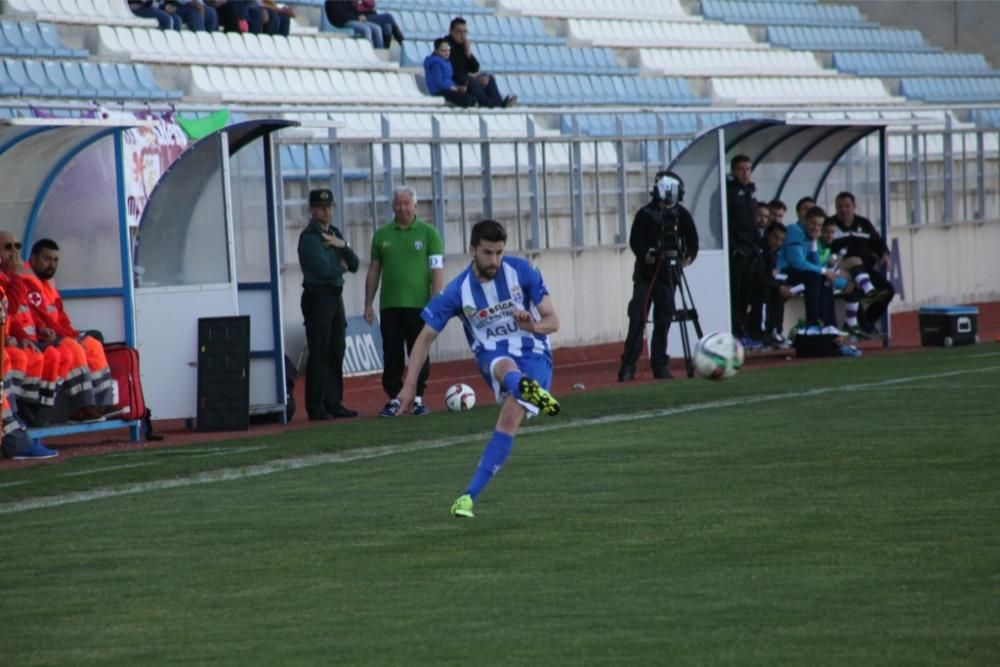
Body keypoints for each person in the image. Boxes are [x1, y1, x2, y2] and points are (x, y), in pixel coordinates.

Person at [396, 220, 560, 519]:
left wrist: (533, 325)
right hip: (492, 353)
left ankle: (467, 496)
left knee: (509, 418)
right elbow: (424, 338)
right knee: (501, 363)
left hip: (533, 350)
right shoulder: (457, 291)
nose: (494, 260)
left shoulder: (522, 271)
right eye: (487, 253)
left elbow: (553, 321)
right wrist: (408, 387)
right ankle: (522, 386)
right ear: (472, 250)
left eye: (499, 252)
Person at [363, 187, 443, 417]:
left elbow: (436, 270)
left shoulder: (429, 234)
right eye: (398, 204)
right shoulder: (382, 235)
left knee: (419, 352)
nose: (402, 208)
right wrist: (368, 303)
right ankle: (395, 399)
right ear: (392, 207)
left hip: (420, 306)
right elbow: (374, 270)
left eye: (407, 203)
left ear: (415, 206)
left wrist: (435, 303)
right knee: (392, 353)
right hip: (390, 306)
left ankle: (417, 398)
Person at [618, 171, 699, 382]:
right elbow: (636, 241)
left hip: (669, 276)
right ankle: (628, 364)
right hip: (646, 276)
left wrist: (687, 257)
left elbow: (692, 240)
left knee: (664, 320)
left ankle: (660, 364)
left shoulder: (682, 215)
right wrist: (646, 255)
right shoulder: (645, 214)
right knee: (638, 319)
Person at [22, 239, 116, 419]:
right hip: (41, 338)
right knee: (74, 348)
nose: (52, 264)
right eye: (47, 259)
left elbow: (61, 316)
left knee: (92, 345)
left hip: (57, 333)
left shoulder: (48, 283)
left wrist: (74, 334)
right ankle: (82, 407)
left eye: (55, 260)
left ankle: (104, 404)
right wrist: (70, 337)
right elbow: (43, 318)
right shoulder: (28, 281)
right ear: (33, 259)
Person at [297, 188, 360, 421]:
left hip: (335, 296)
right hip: (318, 297)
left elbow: (354, 263)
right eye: (322, 207)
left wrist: (342, 245)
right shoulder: (309, 238)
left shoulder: (333, 233)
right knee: (320, 350)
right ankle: (316, 406)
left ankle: (334, 401)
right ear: (312, 210)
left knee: (336, 349)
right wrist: (341, 266)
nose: (327, 211)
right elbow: (325, 270)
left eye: (330, 207)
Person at [828, 191, 895, 336]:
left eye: (847, 206)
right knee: (854, 287)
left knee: (888, 291)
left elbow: (878, 243)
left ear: (854, 206)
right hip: (843, 271)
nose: (843, 210)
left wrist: (885, 255)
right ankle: (861, 326)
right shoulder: (831, 225)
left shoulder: (864, 224)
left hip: (866, 270)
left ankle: (866, 322)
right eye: (839, 207)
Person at [778, 206, 838, 327]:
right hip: (781, 274)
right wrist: (824, 270)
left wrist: (814, 242)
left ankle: (828, 325)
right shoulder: (794, 230)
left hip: (797, 275)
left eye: (819, 225)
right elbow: (798, 263)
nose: (816, 228)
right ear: (805, 220)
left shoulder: (811, 237)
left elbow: (816, 265)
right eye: (813, 223)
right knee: (815, 276)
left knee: (825, 280)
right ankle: (813, 321)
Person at [726, 154, 762, 349]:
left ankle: (750, 330)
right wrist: (733, 248)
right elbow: (719, 220)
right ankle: (736, 331)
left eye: (748, 169)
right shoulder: (727, 192)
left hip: (752, 249)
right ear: (733, 171)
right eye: (741, 169)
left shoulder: (751, 191)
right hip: (738, 251)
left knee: (750, 293)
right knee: (737, 294)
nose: (745, 173)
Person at [446, 17, 517, 108]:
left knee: (489, 78)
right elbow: (452, 70)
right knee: (472, 82)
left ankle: (498, 103)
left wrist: (468, 53)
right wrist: (474, 78)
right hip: (456, 81)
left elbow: (475, 67)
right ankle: (497, 105)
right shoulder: (446, 46)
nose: (462, 35)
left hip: (465, 78)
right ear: (451, 31)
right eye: (459, 32)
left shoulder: (462, 46)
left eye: (465, 32)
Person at [748, 221, 795, 348]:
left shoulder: (773, 252)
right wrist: (779, 286)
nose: (778, 242)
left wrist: (782, 286)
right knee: (766, 290)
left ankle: (775, 330)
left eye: (781, 240)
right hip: (750, 287)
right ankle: (761, 332)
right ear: (767, 235)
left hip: (762, 283)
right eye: (775, 237)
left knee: (779, 289)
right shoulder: (760, 250)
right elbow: (759, 276)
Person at [423, 38, 476, 107]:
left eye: (448, 49)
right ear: (436, 51)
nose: (447, 52)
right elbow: (439, 82)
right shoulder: (435, 64)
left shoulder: (446, 62)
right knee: (467, 100)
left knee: (473, 98)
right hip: (439, 91)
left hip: (447, 89)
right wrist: (451, 88)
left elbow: (448, 80)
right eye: (443, 50)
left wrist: (458, 87)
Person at [324, 0, 393, 49]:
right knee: (366, 29)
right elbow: (340, 16)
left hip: (352, 19)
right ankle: (366, 52)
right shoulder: (331, 2)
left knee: (377, 28)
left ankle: (380, 53)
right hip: (342, 23)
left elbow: (354, 11)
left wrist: (359, 15)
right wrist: (357, 17)